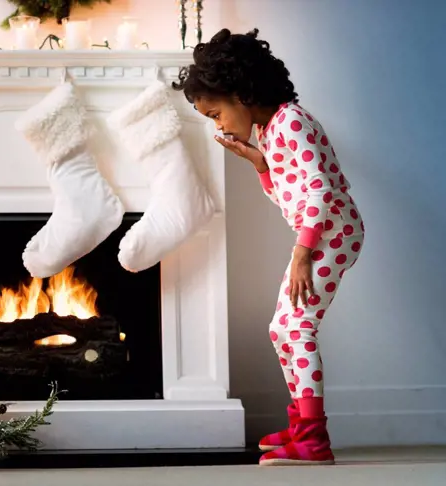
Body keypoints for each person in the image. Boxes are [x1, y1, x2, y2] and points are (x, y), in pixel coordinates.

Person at [173, 28, 365, 466]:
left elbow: (318, 195)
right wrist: (261, 165)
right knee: (282, 327)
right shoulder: (272, 131)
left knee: (297, 327)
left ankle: (314, 440)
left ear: (240, 93)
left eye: (215, 113)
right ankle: (301, 426)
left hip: (331, 233)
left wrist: (302, 254)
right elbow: (289, 197)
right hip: (320, 232)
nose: (218, 124)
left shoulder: (291, 121)